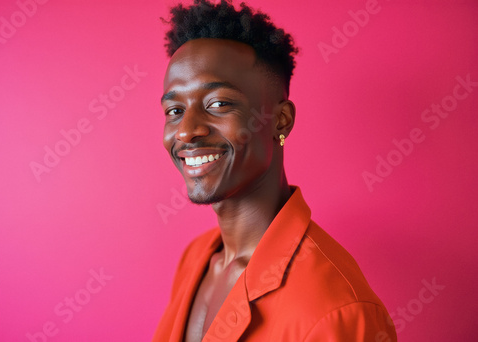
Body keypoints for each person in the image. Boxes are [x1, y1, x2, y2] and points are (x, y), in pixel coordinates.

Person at [154, 0, 397, 341]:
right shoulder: (194, 259)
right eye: (175, 110)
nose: (185, 130)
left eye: (218, 104)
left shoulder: (338, 311)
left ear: (280, 120)